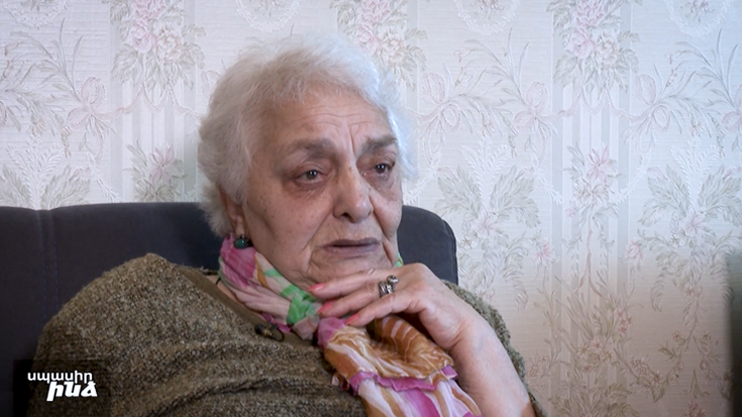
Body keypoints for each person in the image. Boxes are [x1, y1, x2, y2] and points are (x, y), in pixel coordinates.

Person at [28, 35, 545, 416]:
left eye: (380, 167)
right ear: (236, 204)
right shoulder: (123, 317)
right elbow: (57, 389)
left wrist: (476, 342)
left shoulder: (456, 315)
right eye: (311, 173)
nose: (359, 203)